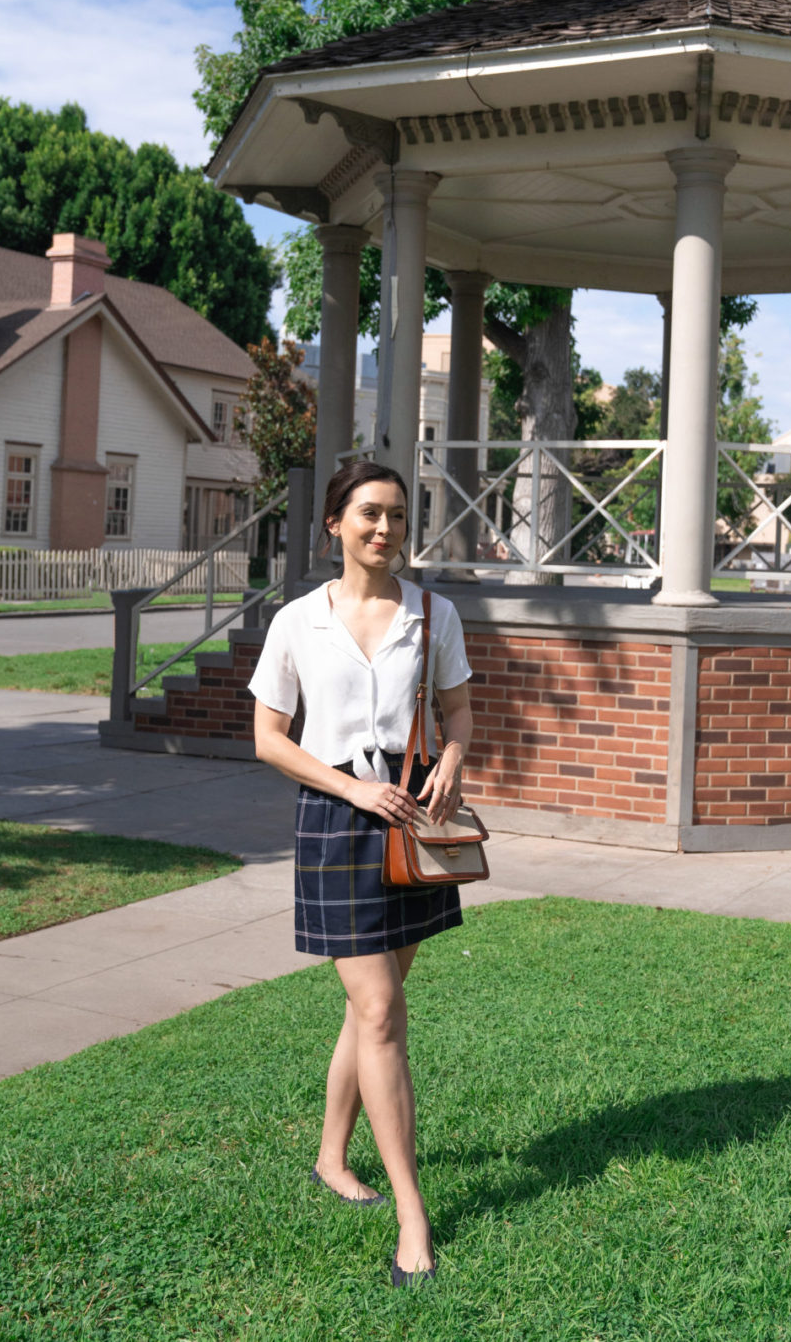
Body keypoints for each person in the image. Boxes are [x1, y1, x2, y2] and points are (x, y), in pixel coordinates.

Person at [249, 460, 473, 1287]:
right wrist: (353, 787)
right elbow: (271, 739)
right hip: (338, 817)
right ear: (334, 525)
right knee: (380, 1011)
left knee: (369, 1010)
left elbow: (460, 711)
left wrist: (450, 759)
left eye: (399, 518)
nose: (386, 529)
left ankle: (333, 1160)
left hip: (413, 820)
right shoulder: (297, 623)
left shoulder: (432, 611)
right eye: (370, 514)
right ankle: (414, 1221)